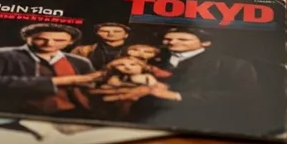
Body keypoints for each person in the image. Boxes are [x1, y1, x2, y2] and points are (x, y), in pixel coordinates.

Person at [102, 27, 261, 132]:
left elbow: (243, 97)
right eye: (168, 39)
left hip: (198, 124)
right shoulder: (150, 59)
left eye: (183, 39)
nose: (172, 43)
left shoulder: (232, 64)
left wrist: (177, 96)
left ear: (205, 43)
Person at [0, 23, 102, 117]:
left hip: (74, 114)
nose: (50, 44)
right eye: (40, 39)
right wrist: (58, 81)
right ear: (27, 38)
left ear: (70, 42)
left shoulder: (80, 62)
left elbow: (92, 88)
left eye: (59, 40)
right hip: (17, 115)